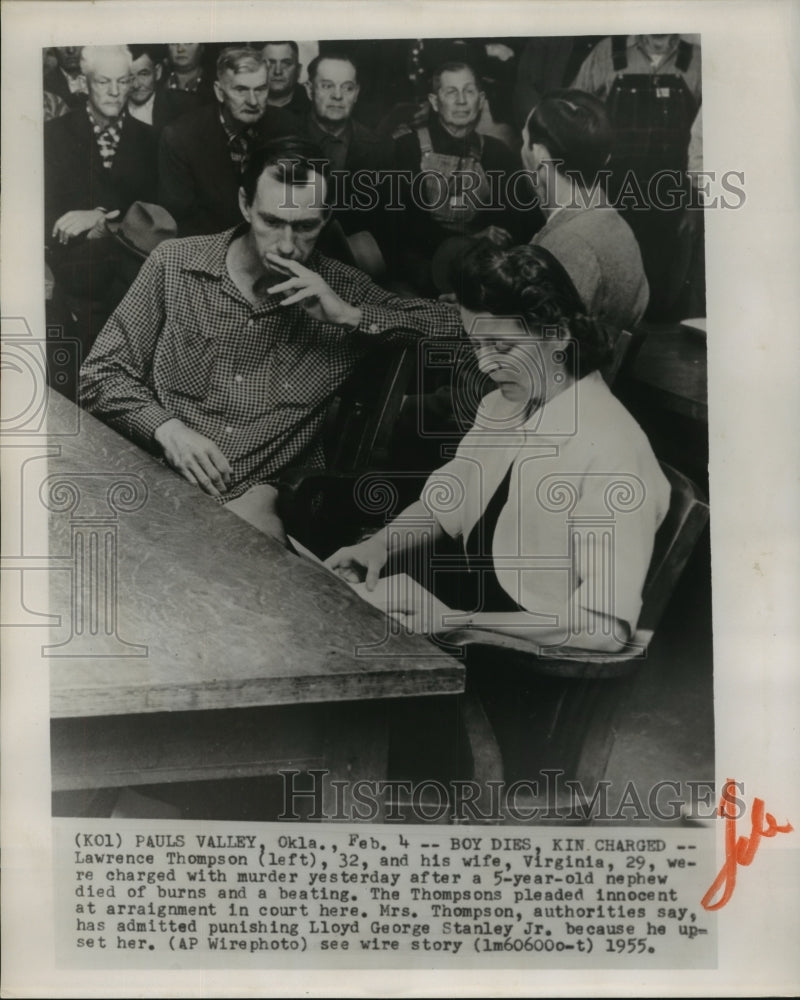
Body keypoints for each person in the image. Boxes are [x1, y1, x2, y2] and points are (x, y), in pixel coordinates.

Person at [79, 136, 464, 543]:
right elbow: (99, 375)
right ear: (245, 205)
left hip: (253, 509)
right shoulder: (175, 265)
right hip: (152, 485)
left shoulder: (340, 289)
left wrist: (347, 315)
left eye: (304, 227)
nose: (286, 245)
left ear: (327, 217)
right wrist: (167, 429)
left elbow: (461, 326)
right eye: (271, 221)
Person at [326, 242, 669, 653]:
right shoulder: (505, 405)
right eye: (477, 346)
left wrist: (459, 623)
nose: (486, 365)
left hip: (528, 663)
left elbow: (602, 628)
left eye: (502, 347)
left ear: (558, 334)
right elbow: (445, 501)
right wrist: (379, 545)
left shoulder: (614, 447)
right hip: (466, 629)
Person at [44, 45, 158, 358]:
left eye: (122, 82)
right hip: (73, 285)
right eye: (102, 82)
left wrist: (99, 217)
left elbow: (160, 215)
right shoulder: (52, 137)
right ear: (85, 83)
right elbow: (42, 216)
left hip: (133, 286)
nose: (113, 92)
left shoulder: (153, 140)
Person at [392, 60, 539, 295]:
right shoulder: (405, 148)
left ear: (480, 100)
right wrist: (471, 238)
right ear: (434, 102)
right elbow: (403, 227)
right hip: (420, 275)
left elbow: (518, 220)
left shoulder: (497, 153)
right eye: (451, 92)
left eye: (469, 91)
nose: (461, 101)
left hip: (477, 276)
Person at [522, 89, 649, 330]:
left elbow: (540, 346)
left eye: (523, 141)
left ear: (539, 155)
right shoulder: (606, 220)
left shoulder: (569, 245)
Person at [158, 45, 300, 236]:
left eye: (260, 89)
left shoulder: (288, 127)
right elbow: (184, 219)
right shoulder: (180, 137)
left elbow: (297, 201)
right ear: (219, 91)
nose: (252, 101)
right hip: (208, 249)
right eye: (241, 90)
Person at [302, 52, 392, 248]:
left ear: (357, 93)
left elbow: (387, 225)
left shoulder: (378, 147)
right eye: (327, 86)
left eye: (347, 88)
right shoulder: (287, 141)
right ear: (309, 90)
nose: (337, 95)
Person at [126, 44, 198, 135]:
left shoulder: (185, 105)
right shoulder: (113, 109)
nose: (136, 85)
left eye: (143, 74)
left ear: (158, 72)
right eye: (129, 77)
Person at [261, 40, 310, 117]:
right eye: (270, 63)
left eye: (286, 63)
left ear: (298, 70)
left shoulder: (313, 112)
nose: (278, 71)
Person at [43, 45, 88, 109]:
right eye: (62, 45)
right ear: (53, 49)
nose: (71, 50)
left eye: (77, 43)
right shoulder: (44, 85)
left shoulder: (101, 77)